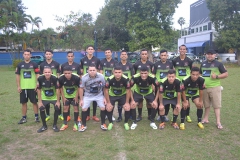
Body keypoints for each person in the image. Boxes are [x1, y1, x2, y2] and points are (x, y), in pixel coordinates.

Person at [200, 49, 228, 129]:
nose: (210, 55)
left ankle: (218, 122)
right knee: (207, 105)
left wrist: (216, 76)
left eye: (211, 54)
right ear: (206, 55)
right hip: (205, 88)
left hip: (215, 87)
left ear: (215, 55)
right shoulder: (203, 64)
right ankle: (205, 119)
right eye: (208, 54)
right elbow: (200, 74)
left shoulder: (218, 64)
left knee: (216, 106)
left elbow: (226, 74)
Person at [79, 65, 107, 132]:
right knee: (84, 108)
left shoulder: (101, 76)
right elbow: (81, 88)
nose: (92, 72)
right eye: (90, 70)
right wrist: (81, 99)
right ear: (88, 71)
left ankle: (103, 124)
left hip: (99, 94)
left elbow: (105, 88)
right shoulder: (84, 77)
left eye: (93, 70)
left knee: (103, 107)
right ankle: (83, 125)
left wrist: (105, 98)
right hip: (88, 95)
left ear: (96, 70)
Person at [15, 49, 40, 124]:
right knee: (23, 103)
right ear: (23, 55)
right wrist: (18, 86)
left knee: (34, 102)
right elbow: (17, 76)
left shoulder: (34, 64)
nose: (26, 56)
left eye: (28, 54)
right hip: (23, 87)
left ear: (30, 55)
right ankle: (24, 118)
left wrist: (37, 84)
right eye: (25, 54)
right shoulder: (19, 65)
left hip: (32, 87)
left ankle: (36, 117)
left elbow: (37, 75)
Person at [104, 66, 131, 130]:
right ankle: (110, 122)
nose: (117, 74)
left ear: (122, 73)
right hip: (112, 95)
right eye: (116, 72)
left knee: (127, 108)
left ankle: (126, 123)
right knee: (109, 108)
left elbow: (128, 91)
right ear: (113, 72)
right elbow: (106, 90)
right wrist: (108, 102)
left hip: (122, 95)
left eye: (119, 72)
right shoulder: (109, 79)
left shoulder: (126, 79)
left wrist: (127, 102)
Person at [39, 49, 62, 121]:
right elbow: (40, 75)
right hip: (45, 84)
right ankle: (47, 114)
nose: (48, 55)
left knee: (57, 99)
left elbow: (58, 74)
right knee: (46, 99)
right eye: (47, 54)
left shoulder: (56, 64)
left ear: (52, 55)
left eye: (49, 54)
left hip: (54, 84)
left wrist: (58, 84)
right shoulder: (42, 64)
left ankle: (59, 114)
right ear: (45, 55)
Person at [172, 45, 193, 123]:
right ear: (179, 50)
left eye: (184, 49)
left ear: (186, 50)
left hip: (186, 82)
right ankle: (174, 115)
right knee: (175, 99)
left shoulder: (190, 60)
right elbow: (173, 70)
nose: (182, 50)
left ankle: (187, 115)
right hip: (177, 82)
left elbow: (191, 71)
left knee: (186, 99)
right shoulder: (174, 60)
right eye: (181, 49)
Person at [80, 45, 100, 122]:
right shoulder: (82, 60)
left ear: (94, 51)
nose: (90, 50)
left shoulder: (97, 60)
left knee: (94, 99)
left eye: (92, 49)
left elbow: (98, 71)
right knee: (87, 99)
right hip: (86, 82)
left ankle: (94, 115)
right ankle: (87, 115)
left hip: (95, 81)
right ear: (86, 50)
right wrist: (82, 82)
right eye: (89, 49)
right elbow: (81, 71)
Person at [37, 67, 60, 133]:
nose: (47, 73)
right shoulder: (40, 78)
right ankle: (44, 126)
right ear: (43, 73)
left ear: (51, 72)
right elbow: (38, 90)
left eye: (49, 72)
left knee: (57, 108)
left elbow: (58, 90)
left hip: (54, 97)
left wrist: (58, 101)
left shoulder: (55, 78)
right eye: (46, 72)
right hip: (45, 97)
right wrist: (40, 101)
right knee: (41, 108)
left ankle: (54, 125)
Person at [152, 49, 174, 122]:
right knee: (158, 100)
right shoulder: (156, 64)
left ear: (167, 56)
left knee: (166, 101)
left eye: (165, 55)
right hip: (158, 86)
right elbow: (153, 75)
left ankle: (165, 115)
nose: (163, 57)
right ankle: (159, 115)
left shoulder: (170, 64)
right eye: (162, 55)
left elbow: (173, 74)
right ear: (160, 56)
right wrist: (153, 84)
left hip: (167, 86)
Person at [133, 49, 154, 122]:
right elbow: (135, 75)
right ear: (140, 55)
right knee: (140, 102)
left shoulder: (151, 64)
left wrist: (153, 87)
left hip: (148, 86)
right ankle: (140, 115)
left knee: (149, 102)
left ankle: (149, 115)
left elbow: (153, 76)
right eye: (143, 54)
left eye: (145, 54)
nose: (144, 55)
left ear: (147, 55)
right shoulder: (136, 64)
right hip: (139, 86)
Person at [58, 66, 81, 131]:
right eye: (65, 73)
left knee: (76, 108)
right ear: (63, 73)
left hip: (74, 96)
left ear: (71, 72)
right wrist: (63, 97)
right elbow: (60, 88)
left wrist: (76, 97)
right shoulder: (61, 78)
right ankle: (65, 124)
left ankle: (75, 124)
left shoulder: (76, 78)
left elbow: (79, 88)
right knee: (65, 108)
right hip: (66, 96)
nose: (67, 75)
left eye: (68, 73)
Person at [61, 51, 81, 122]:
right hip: (66, 86)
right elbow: (61, 76)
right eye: (68, 56)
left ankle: (77, 116)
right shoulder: (63, 65)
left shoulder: (77, 65)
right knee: (66, 103)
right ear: (67, 57)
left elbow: (79, 75)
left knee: (76, 102)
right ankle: (68, 116)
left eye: (71, 56)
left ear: (73, 57)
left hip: (75, 85)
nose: (70, 57)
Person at [100, 48, 118, 121]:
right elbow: (101, 72)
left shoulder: (115, 62)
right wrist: (102, 81)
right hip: (104, 82)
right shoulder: (102, 61)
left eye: (109, 52)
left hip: (111, 82)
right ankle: (104, 114)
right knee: (104, 99)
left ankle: (111, 114)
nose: (107, 53)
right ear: (105, 54)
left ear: (111, 53)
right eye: (106, 52)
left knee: (110, 99)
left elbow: (115, 72)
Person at [116, 50, 135, 122]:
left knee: (129, 100)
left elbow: (132, 76)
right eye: (122, 54)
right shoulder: (117, 65)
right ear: (120, 56)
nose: (124, 55)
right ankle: (120, 116)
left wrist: (130, 84)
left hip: (128, 86)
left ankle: (129, 115)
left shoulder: (130, 65)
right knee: (120, 102)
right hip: (119, 86)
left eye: (125, 54)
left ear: (127, 56)